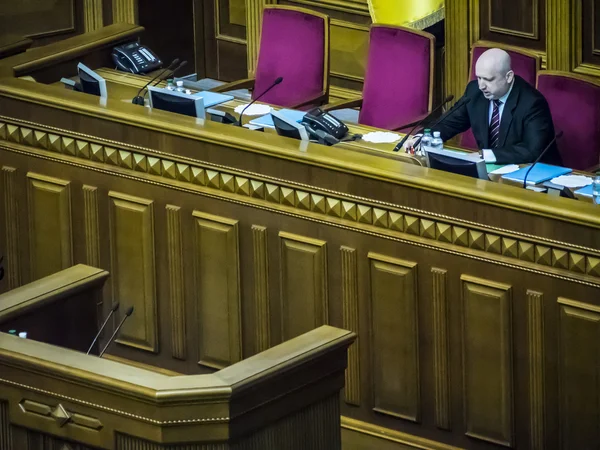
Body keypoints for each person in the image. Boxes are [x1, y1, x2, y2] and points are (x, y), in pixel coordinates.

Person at [408, 48, 562, 166]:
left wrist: (485, 155)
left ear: (508, 77)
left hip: (532, 178)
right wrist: (421, 138)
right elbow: (450, 122)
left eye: (488, 79)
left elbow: (532, 150)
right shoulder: (475, 91)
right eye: (479, 77)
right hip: (492, 175)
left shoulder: (532, 103)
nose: (481, 86)